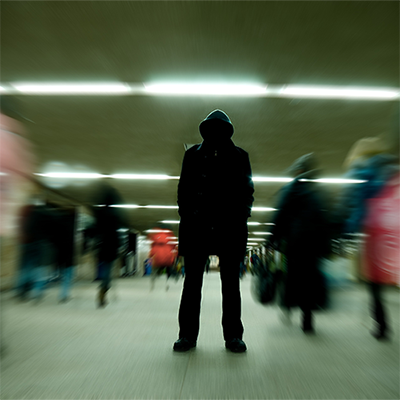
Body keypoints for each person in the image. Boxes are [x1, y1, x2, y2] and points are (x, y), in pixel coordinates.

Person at [173, 110, 254, 353]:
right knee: (192, 284)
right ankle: (187, 335)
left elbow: (247, 191)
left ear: (227, 132)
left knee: (230, 286)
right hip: (197, 227)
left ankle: (233, 337)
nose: (215, 134)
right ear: (205, 131)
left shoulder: (240, 156)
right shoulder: (192, 155)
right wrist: (188, 215)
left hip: (229, 228)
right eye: (212, 129)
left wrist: (240, 216)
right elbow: (183, 190)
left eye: (220, 129)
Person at [337, 136, 399, 340]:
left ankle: (381, 326)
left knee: (375, 282)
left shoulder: (360, 171)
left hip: (374, 231)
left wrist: (347, 230)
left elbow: (353, 202)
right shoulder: (392, 169)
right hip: (394, 229)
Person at [268, 153, 330, 334]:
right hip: (313, 246)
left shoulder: (290, 189)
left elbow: (279, 215)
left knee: (293, 277)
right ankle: (307, 318)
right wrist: (326, 246)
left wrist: (272, 239)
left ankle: (287, 306)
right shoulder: (318, 192)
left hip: (295, 244)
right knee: (310, 280)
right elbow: (324, 220)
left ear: (300, 170)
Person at [93, 183, 124, 307]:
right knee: (108, 271)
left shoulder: (99, 213)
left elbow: (95, 229)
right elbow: (119, 231)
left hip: (101, 245)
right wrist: (121, 245)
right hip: (112, 246)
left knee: (104, 268)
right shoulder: (116, 214)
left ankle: (103, 289)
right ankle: (103, 289)